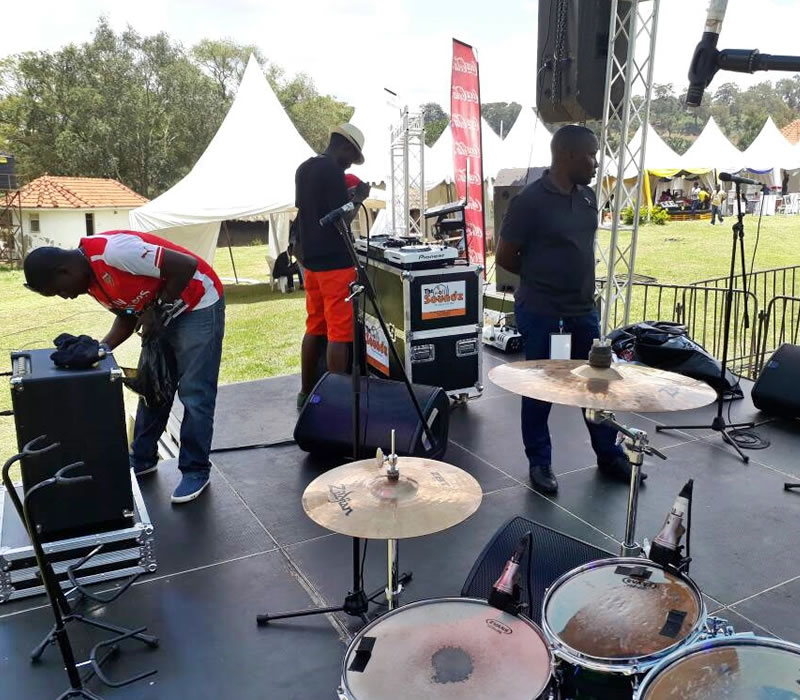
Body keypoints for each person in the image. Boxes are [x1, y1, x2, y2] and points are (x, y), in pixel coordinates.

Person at [22, 230, 225, 504]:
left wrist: (157, 308)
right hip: (163, 311)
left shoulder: (115, 253)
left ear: (64, 270)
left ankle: (195, 470)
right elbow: (128, 316)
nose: (66, 297)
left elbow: (186, 266)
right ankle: (142, 459)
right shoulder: (90, 282)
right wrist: (101, 349)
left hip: (197, 303)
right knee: (152, 387)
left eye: (60, 290)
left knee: (195, 393)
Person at [495, 125, 642, 495]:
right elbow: (505, 256)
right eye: (591, 155)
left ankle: (609, 455)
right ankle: (540, 462)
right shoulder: (529, 201)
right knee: (541, 389)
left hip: (582, 311)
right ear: (567, 155)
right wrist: (544, 278)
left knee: (596, 384)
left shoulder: (589, 197)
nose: (596, 163)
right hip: (543, 312)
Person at [294, 123, 367, 410]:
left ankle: (306, 392)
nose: (349, 164)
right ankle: (336, 403)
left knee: (314, 326)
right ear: (345, 147)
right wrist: (358, 198)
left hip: (311, 263)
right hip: (336, 264)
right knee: (339, 333)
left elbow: (309, 211)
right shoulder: (333, 171)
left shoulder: (304, 168)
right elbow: (341, 218)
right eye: (351, 157)